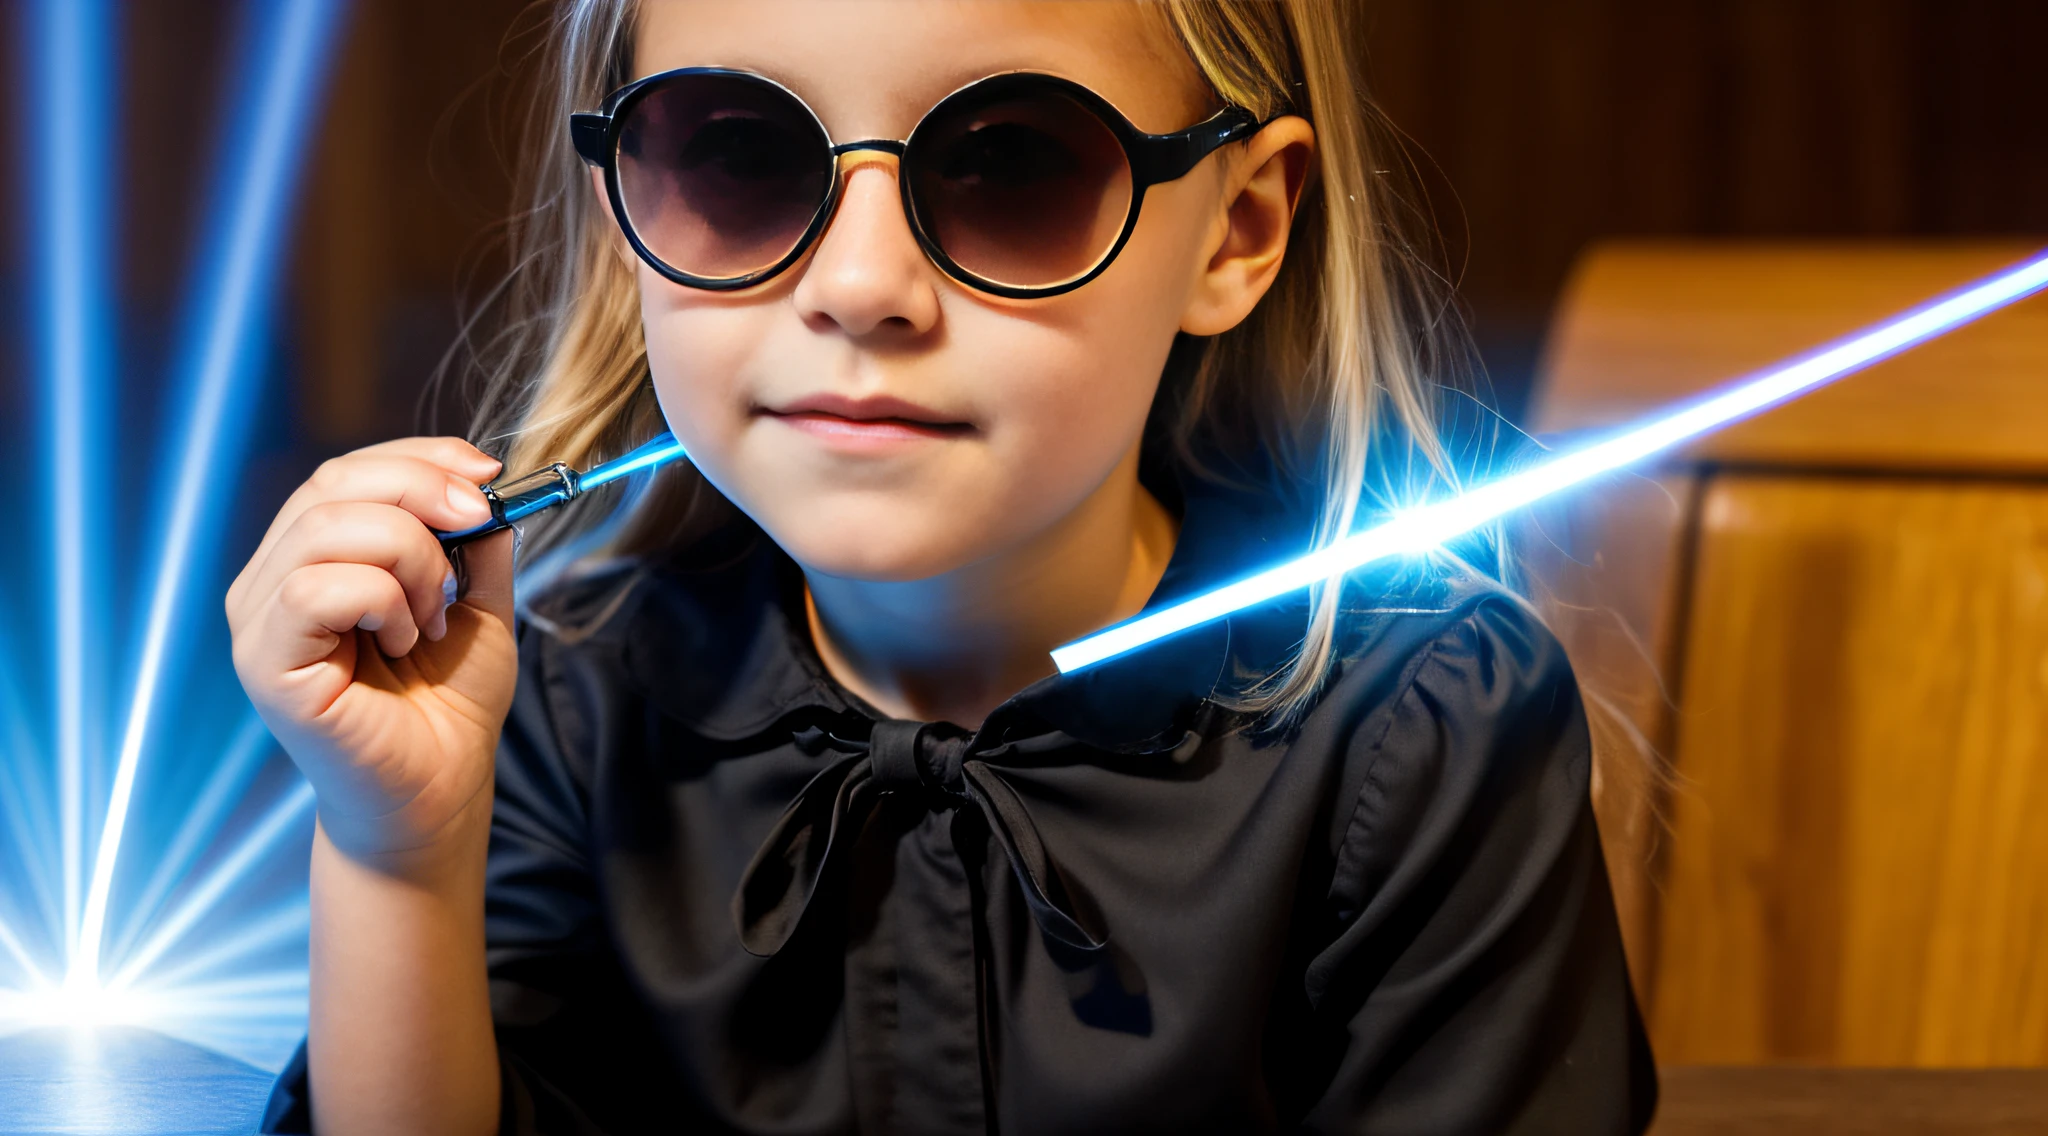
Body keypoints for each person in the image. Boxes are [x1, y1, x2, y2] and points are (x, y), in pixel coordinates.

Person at [230, 1, 1656, 1132]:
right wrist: (396, 856)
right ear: (626, 222)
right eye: (737, 153)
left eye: (1011, 163)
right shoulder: (552, 704)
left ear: (1239, 228)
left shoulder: (1429, 727)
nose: (858, 288)